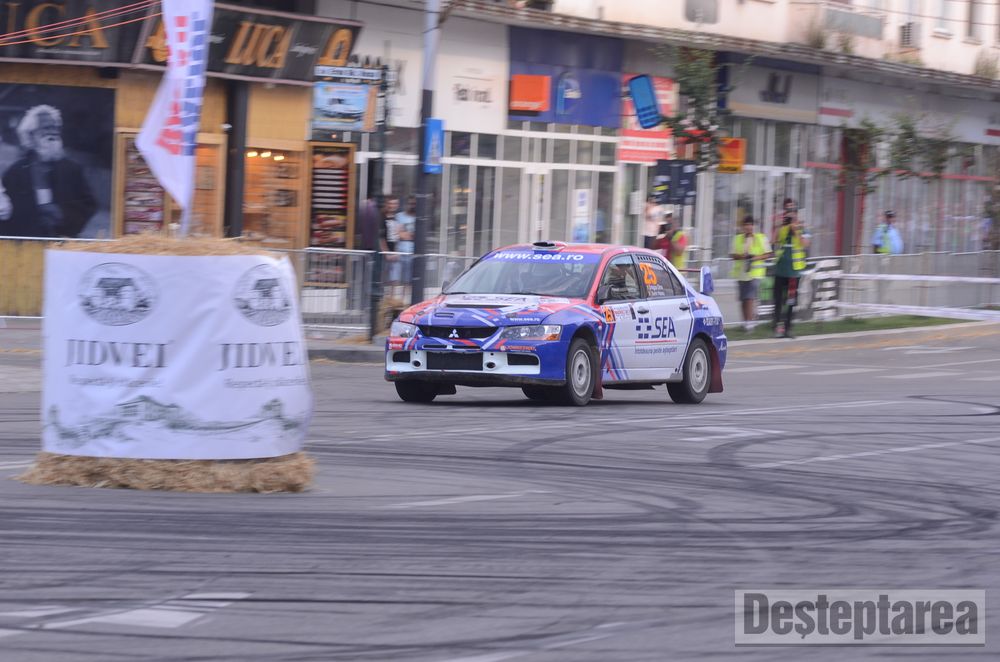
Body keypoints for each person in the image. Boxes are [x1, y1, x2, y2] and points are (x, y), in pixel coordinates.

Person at [0, 104, 96, 238]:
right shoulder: (16, 172)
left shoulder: (72, 169)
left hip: (62, 242)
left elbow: (89, 204)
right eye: (46, 128)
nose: (52, 132)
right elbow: (5, 216)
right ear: (30, 135)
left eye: (55, 127)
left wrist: (63, 214)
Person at [729, 215, 773, 332]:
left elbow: (768, 253)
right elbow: (732, 254)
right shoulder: (737, 238)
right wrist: (741, 256)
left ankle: (750, 323)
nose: (748, 227)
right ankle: (745, 322)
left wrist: (755, 257)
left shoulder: (760, 238)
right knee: (743, 299)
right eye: (746, 225)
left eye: (750, 225)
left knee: (749, 297)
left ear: (753, 226)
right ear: (743, 227)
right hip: (741, 273)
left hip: (755, 273)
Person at [772, 212, 810, 338]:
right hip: (780, 270)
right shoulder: (783, 229)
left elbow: (805, 244)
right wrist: (779, 225)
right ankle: (777, 328)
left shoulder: (803, 230)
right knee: (778, 300)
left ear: (797, 220)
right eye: (788, 219)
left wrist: (796, 231)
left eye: (792, 219)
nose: (790, 222)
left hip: (793, 273)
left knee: (791, 301)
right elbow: (774, 240)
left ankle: (788, 328)